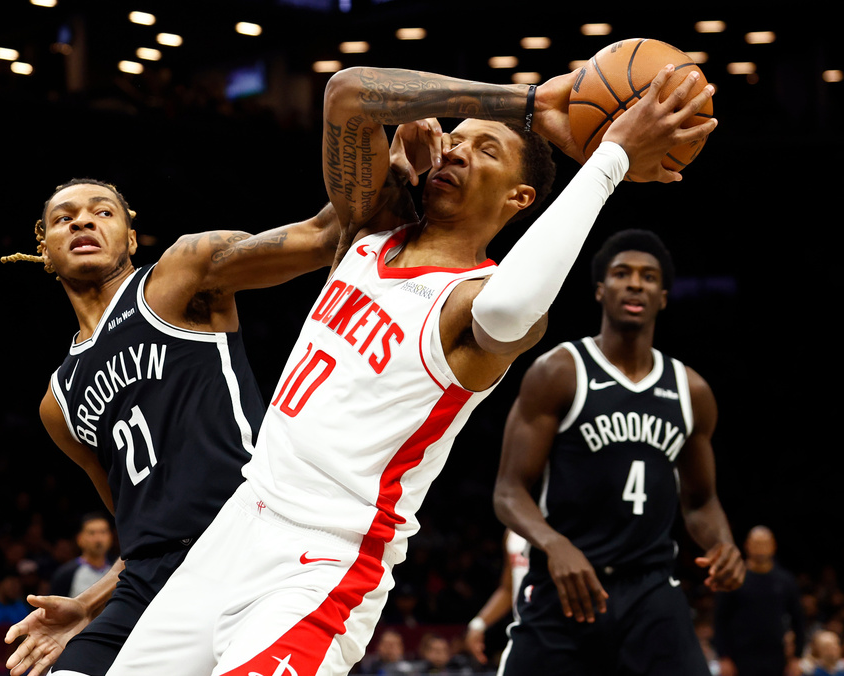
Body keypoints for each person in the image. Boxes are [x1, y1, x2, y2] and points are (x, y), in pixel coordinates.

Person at [103, 61, 717, 676]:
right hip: (238, 523)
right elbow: (347, 93)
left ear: (519, 198)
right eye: (456, 137)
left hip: (323, 567)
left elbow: (510, 306)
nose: (456, 149)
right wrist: (528, 104)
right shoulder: (372, 228)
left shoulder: (477, 303)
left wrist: (608, 160)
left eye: (486, 148)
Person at [0, 179, 342, 676]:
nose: (82, 221)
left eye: (102, 212)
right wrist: (88, 605)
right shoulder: (59, 401)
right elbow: (143, 532)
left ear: (132, 238)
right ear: (46, 250)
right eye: (63, 218)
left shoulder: (181, 275)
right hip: (150, 581)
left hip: (246, 541)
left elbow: (322, 236)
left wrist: (389, 151)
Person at [492, 228, 746, 675]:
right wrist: (555, 546)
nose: (635, 283)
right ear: (600, 290)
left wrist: (722, 543)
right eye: (622, 274)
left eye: (648, 277)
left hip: (651, 590)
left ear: (663, 297)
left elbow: (701, 501)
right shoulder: (560, 371)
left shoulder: (691, 390)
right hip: (569, 582)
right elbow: (509, 491)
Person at [715, 525, 806, 676]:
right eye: (756, 543)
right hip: (741, 656)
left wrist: (797, 657)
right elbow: (720, 620)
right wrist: (723, 657)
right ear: (747, 546)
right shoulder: (734, 578)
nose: (760, 548)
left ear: (773, 546)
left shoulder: (785, 581)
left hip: (776, 656)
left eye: (765, 543)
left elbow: (799, 620)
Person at [464, 528, 528, 665]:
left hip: (560, 634)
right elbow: (508, 589)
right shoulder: (513, 531)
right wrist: (478, 625)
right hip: (523, 635)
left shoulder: (566, 523)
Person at [49, 513, 113, 599]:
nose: (98, 539)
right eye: (92, 533)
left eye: (103, 532)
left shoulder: (119, 570)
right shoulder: (65, 574)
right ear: (80, 539)